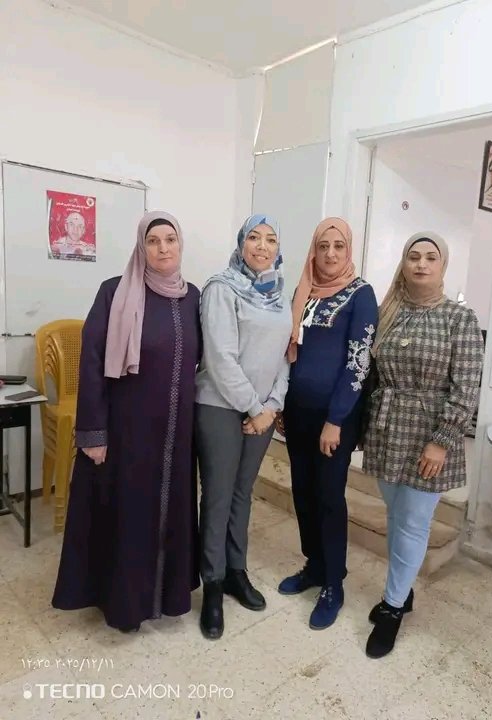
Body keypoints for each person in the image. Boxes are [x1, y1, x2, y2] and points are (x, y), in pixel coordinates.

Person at [52, 211, 201, 632]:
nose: (163, 248)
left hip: (174, 435)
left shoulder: (192, 296)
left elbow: (206, 359)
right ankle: (125, 607)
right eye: (153, 241)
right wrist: (93, 433)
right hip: (127, 433)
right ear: (141, 247)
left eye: (170, 239)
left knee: (167, 518)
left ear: (180, 243)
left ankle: (165, 598)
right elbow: (92, 362)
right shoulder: (114, 292)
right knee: (128, 519)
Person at [363, 232, 484, 659]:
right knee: (396, 516)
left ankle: (393, 607)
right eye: (413, 256)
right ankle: (403, 588)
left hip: (429, 435)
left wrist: (442, 441)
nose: (421, 264)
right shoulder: (390, 312)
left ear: (443, 266)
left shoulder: (459, 318)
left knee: (413, 523)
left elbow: (466, 388)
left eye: (431, 257)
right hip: (387, 429)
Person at [277, 217, 378, 631]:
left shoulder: (361, 294)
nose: (330, 254)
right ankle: (315, 566)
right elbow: (288, 352)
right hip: (297, 412)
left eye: (338, 246)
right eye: (323, 246)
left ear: (348, 250)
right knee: (302, 490)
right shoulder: (304, 291)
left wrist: (336, 420)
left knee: (329, 496)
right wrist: (281, 403)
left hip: (334, 418)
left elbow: (358, 363)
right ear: (313, 251)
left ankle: (334, 582)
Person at [195, 214, 292, 640]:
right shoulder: (221, 288)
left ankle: (237, 571)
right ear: (241, 244)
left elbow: (285, 357)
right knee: (218, 496)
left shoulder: (280, 294)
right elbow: (219, 359)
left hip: (262, 413)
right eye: (254, 237)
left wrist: (272, 405)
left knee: (241, 494)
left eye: (271, 239)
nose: (262, 246)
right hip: (220, 406)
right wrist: (255, 407)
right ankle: (213, 586)